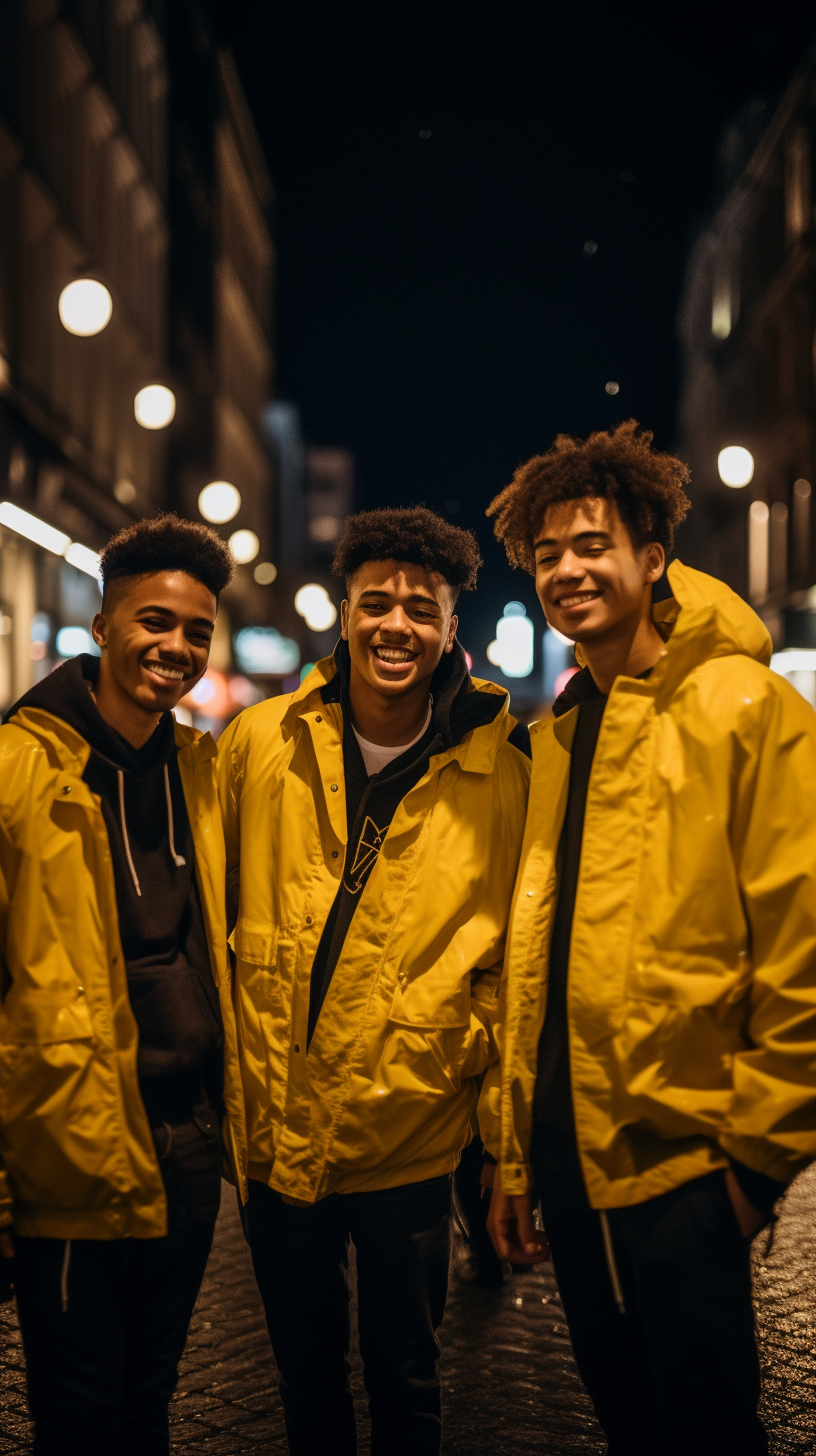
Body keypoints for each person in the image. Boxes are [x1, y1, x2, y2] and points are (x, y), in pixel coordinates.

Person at [481, 421, 816, 1456]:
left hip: (687, 1165)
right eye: (548, 554)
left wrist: (754, 1166)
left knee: (710, 1431)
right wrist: (516, 1154)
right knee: (628, 1421)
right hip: (571, 1163)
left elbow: (800, 944)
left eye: (593, 544)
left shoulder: (746, 708)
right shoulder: (559, 734)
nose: (569, 570)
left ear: (652, 559)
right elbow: (539, 952)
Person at [218, 506, 531, 1456]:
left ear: (450, 633)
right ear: (345, 615)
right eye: (377, 603)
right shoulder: (258, 743)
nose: (397, 625)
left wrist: (468, 1060)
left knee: (407, 1377)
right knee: (305, 1380)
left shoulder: (499, 774)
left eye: (421, 609)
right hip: (276, 1130)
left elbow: (513, 960)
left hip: (410, 1128)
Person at [0, 514, 248, 1456]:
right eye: (153, 622)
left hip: (186, 1137)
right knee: (76, 1414)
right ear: (101, 628)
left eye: (196, 632)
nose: (175, 648)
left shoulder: (200, 770)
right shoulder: (18, 767)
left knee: (151, 1399)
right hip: (67, 1140)